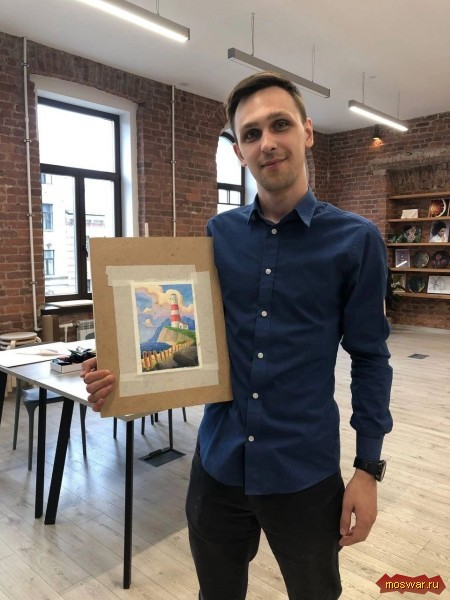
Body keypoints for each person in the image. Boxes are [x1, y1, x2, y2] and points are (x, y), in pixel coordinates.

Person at [81, 71, 393, 600]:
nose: (267, 142)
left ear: (307, 132)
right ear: (238, 151)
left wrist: (367, 468)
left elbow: (370, 358)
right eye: (251, 133)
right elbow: (186, 333)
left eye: (279, 125)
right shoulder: (217, 236)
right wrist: (119, 368)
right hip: (219, 464)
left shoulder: (355, 240)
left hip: (303, 469)